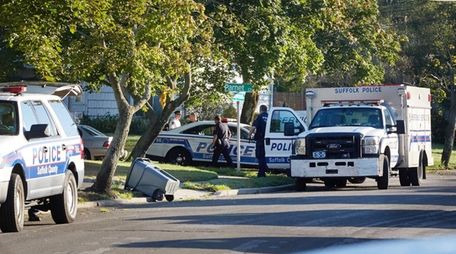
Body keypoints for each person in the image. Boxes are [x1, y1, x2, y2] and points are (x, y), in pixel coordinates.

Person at [249, 105, 269, 177]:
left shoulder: (259, 117)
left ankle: (261, 173)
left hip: (260, 139)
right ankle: (263, 171)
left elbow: (253, 127)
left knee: (260, 156)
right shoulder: (269, 116)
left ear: (260, 110)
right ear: (266, 110)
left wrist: (249, 135)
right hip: (268, 140)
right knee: (263, 156)